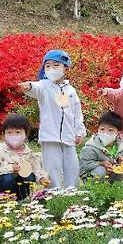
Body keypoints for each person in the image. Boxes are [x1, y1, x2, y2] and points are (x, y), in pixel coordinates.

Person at [18, 50, 87, 188]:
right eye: (47, 66)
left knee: (72, 168)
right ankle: (53, 195)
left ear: (65, 69)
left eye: (56, 65)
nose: (51, 69)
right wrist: (29, 86)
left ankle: (71, 194)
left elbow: (76, 113)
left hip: (68, 137)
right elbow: (35, 87)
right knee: (52, 169)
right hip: (50, 137)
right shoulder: (44, 86)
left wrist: (79, 131)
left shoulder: (70, 90)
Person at [0, 114, 49, 199]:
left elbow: (36, 169)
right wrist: (10, 168)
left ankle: (22, 199)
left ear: (26, 134)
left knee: (29, 176)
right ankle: (3, 199)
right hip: (4, 184)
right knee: (8, 178)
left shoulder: (29, 153)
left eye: (18, 132)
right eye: (9, 132)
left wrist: (42, 178)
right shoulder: (0, 151)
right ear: (4, 135)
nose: (14, 136)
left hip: (20, 185)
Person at [79, 111, 123, 182]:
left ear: (118, 133)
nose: (105, 133)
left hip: (110, 173)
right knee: (101, 171)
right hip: (91, 176)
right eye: (102, 129)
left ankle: (116, 188)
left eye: (110, 130)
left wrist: (121, 159)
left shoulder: (120, 144)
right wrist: (101, 163)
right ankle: (95, 190)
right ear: (98, 129)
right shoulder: (91, 147)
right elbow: (83, 166)